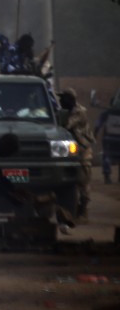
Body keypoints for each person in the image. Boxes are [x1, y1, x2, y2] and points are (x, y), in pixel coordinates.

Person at [58, 88, 93, 222]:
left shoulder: (79, 112)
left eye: (63, 98)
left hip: (83, 151)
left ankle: (83, 210)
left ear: (70, 99)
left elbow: (66, 125)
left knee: (83, 181)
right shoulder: (67, 112)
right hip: (71, 150)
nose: (61, 101)